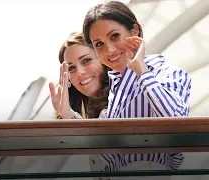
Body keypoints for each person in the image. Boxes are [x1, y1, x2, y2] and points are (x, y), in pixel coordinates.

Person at [80, 0, 192, 179]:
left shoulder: (171, 74)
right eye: (99, 44)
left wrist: (142, 71)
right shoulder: (114, 93)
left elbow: (177, 123)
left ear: (134, 32)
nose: (109, 50)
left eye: (115, 36)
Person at [49, 31, 110, 119]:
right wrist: (62, 113)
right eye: (71, 68)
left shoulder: (121, 101)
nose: (79, 72)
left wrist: (68, 115)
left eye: (86, 60)